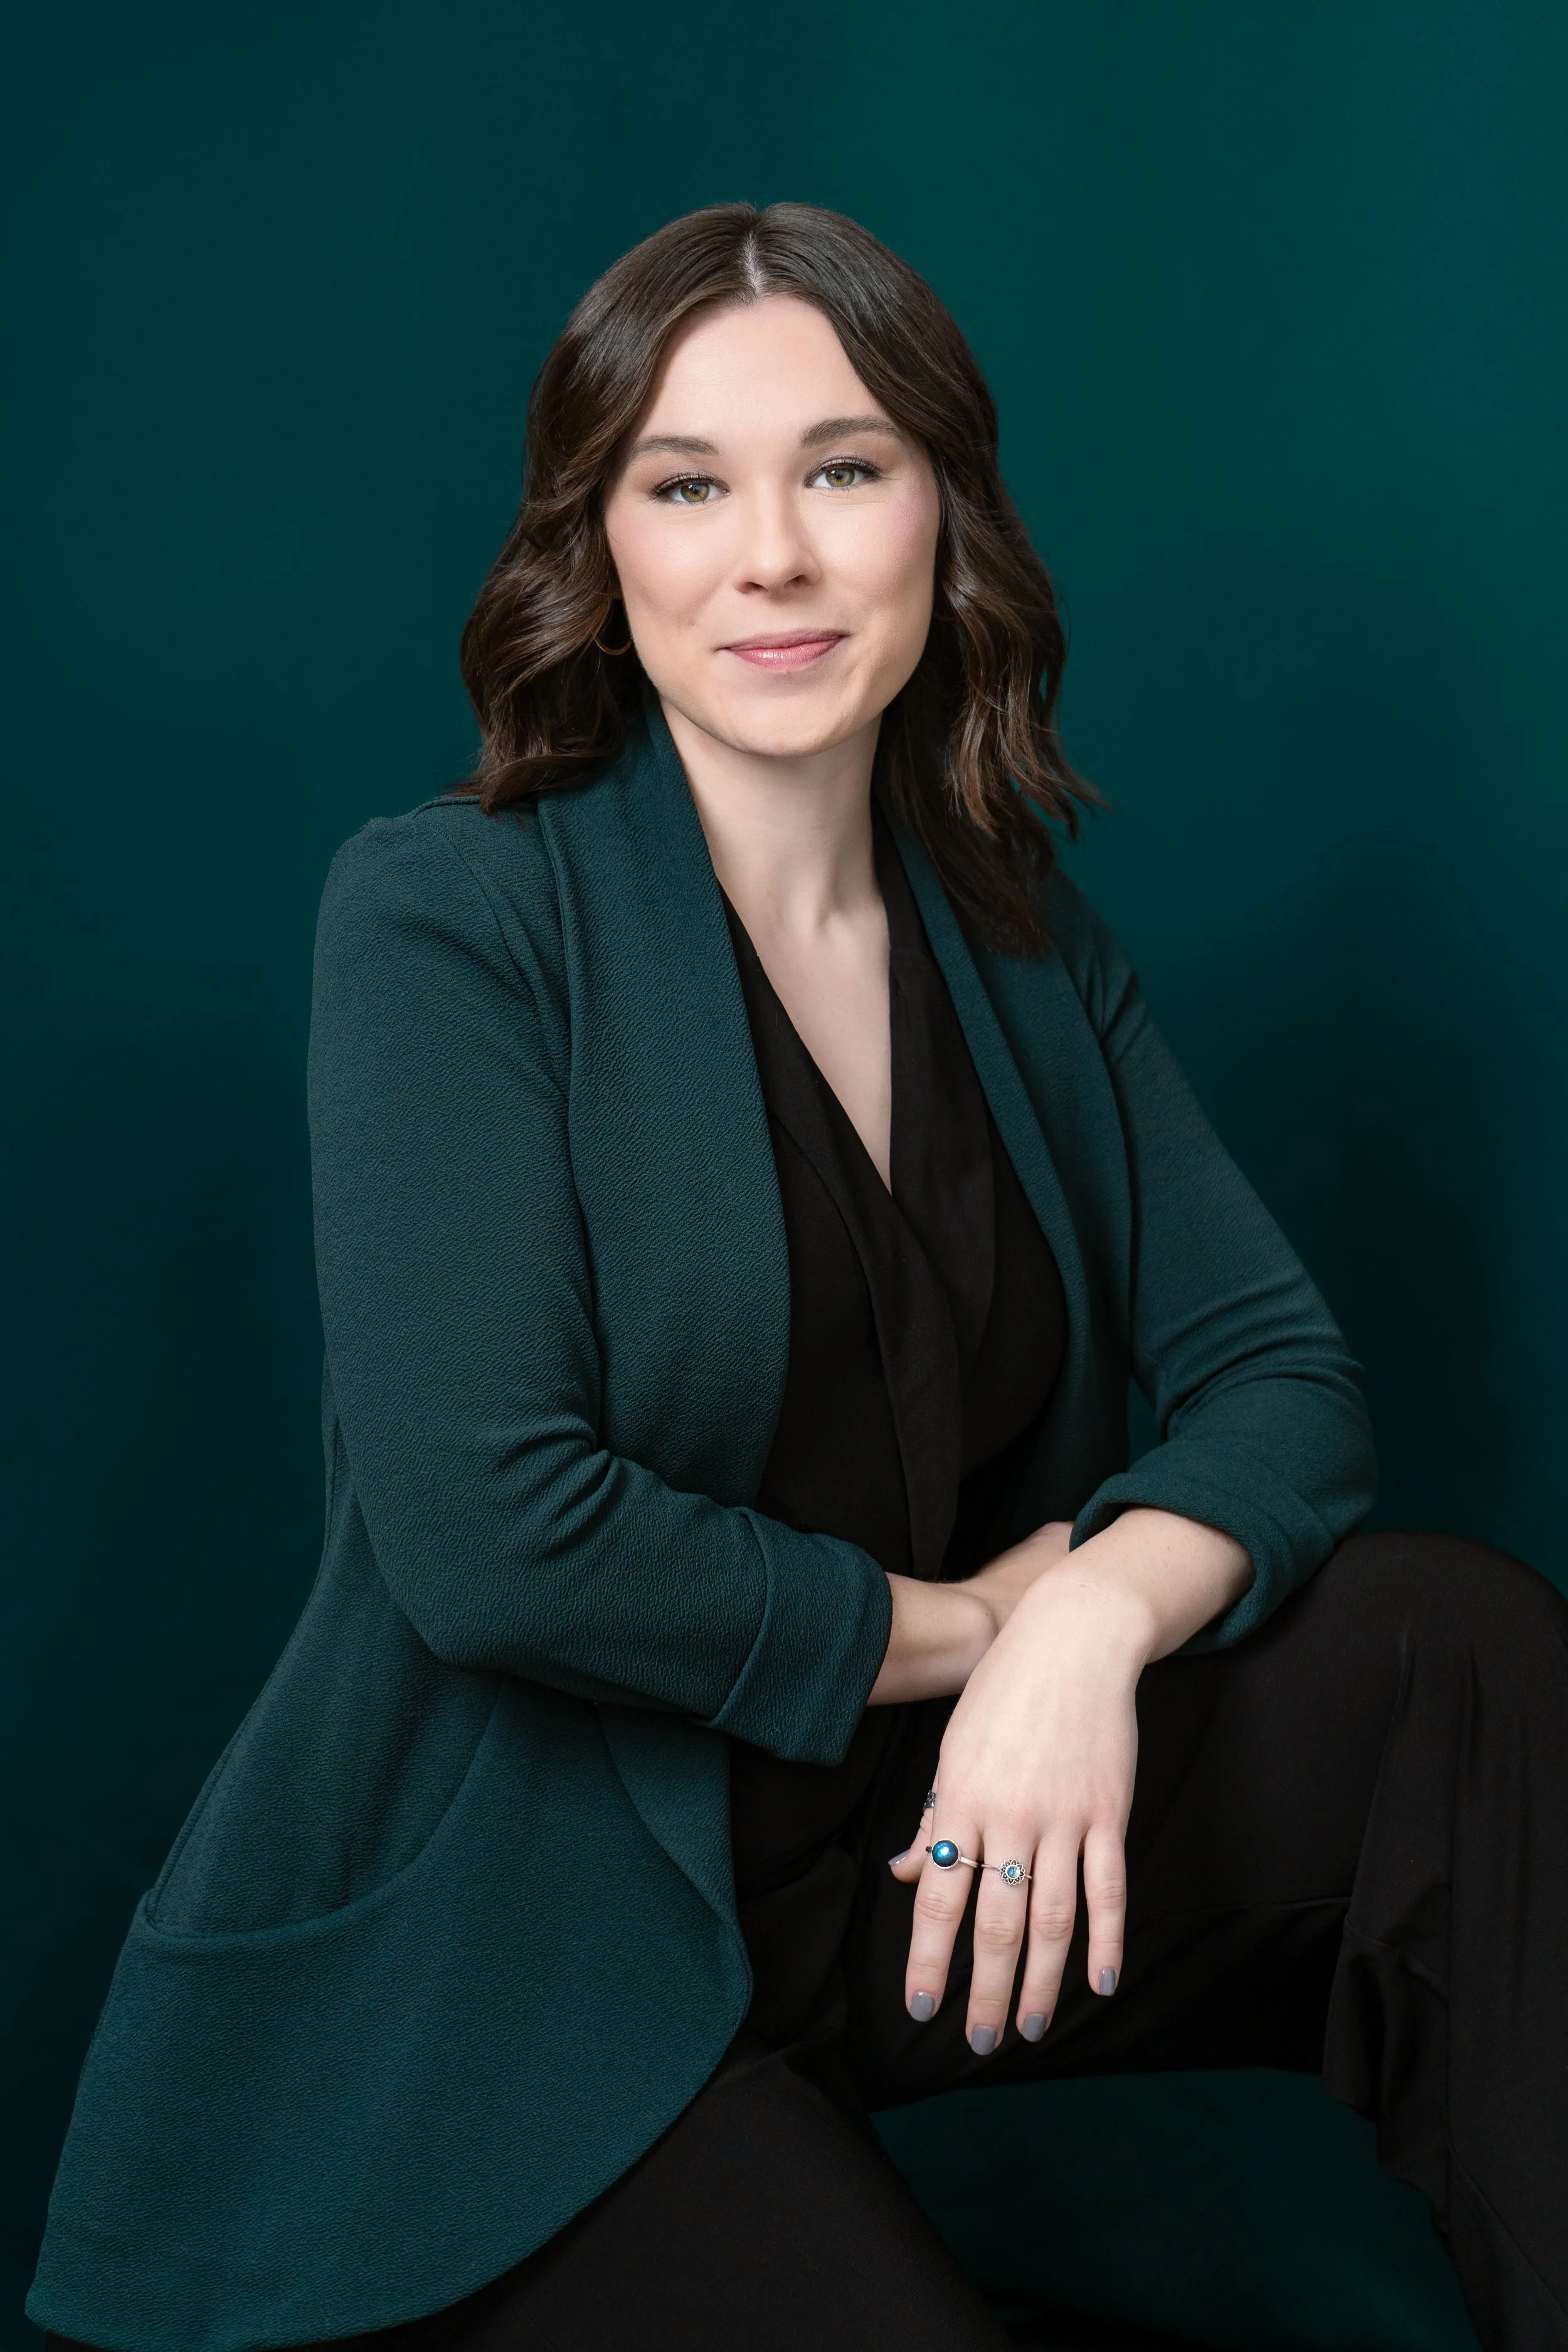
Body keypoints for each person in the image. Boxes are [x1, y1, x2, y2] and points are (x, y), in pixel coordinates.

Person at [29, 201, 1568, 2352]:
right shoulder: (452, 920)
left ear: (943, 511)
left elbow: (1282, 1375)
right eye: (687, 485)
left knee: (1457, 1656)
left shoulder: (1010, 933)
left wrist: (1089, 1626)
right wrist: (967, 1634)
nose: (771, 555)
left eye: (842, 468)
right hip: (531, 1966)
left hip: (895, 1868)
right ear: (601, 549)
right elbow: (493, 1535)